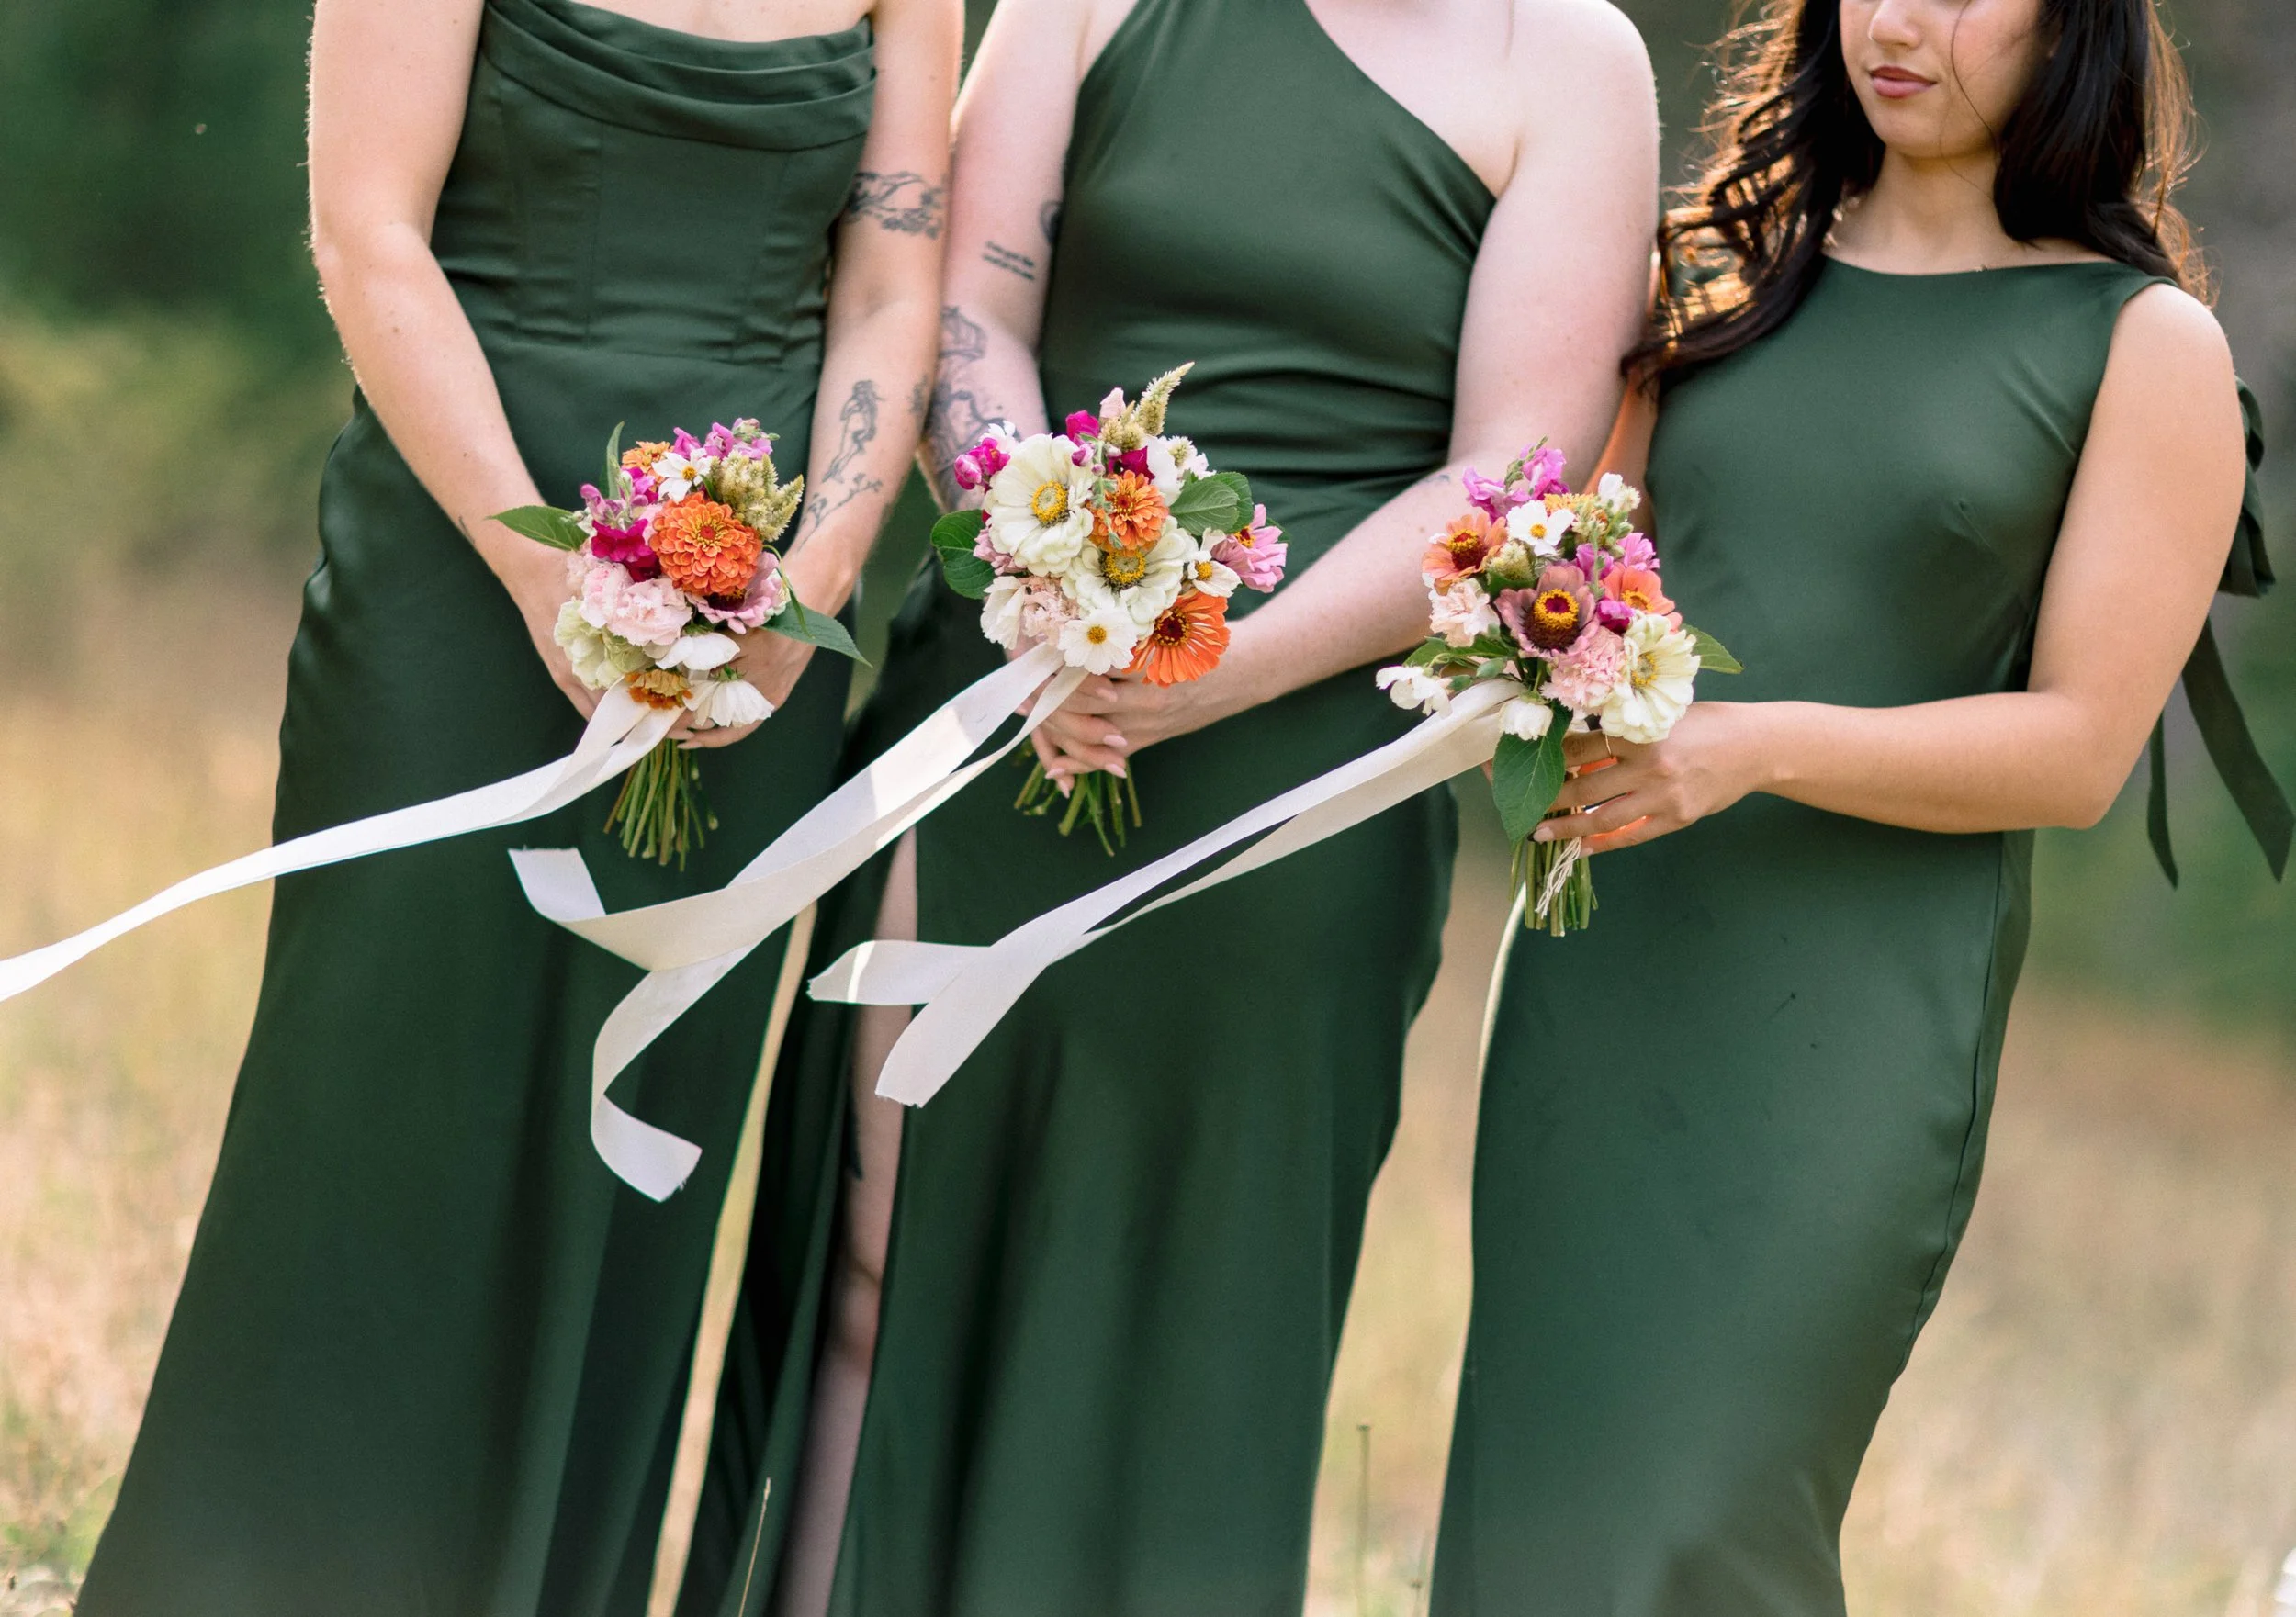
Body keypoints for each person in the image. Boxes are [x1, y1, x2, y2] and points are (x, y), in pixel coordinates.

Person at [675, 0, 1658, 1611]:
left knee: (1179, 1342)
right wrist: (1039, 578)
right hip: (1009, 697)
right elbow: (973, 315)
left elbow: (1512, 471)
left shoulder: (1571, 62)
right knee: (879, 1262)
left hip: (1298, 791)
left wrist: (1222, 667)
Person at [73, 0, 950, 1610]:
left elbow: (895, 282)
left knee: (641, 1157)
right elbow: (370, 234)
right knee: (379, 1105)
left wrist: (809, 578)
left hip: (759, 637)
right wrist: (550, 578)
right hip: (462, 581)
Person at [1431, 0, 2280, 1611]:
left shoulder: (2139, 344)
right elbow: (1575, 578)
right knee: (1540, 1522)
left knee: (1700, 1524)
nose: (1899, 18)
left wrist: (1752, 746)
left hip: (1850, 1030)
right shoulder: (1725, 277)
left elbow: (2081, 748)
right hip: (1604, 971)